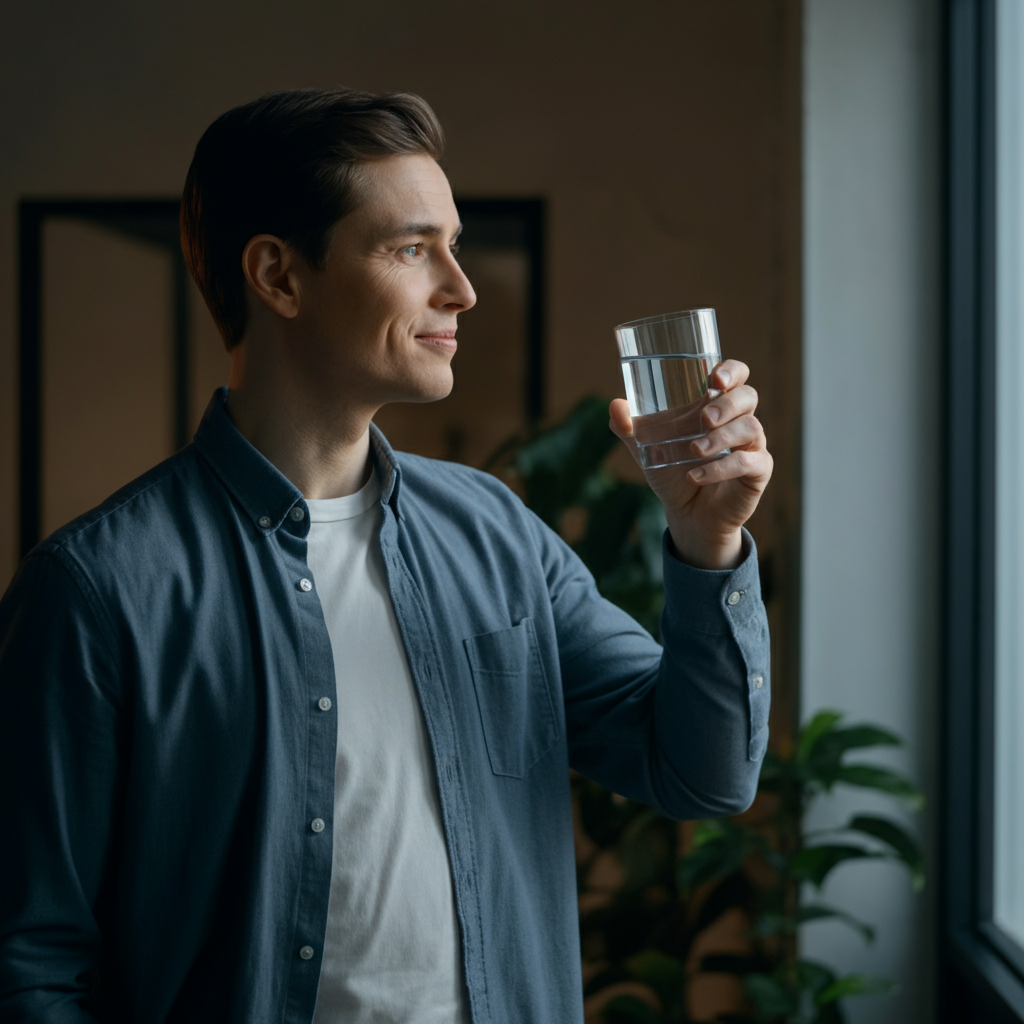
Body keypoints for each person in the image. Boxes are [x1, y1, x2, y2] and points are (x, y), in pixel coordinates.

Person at [0, 88, 773, 1024]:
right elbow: (30, 962)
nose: (462, 288)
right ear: (279, 276)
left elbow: (700, 772)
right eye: (412, 249)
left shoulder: (495, 531)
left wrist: (707, 540)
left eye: (455, 243)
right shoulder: (96, 590)